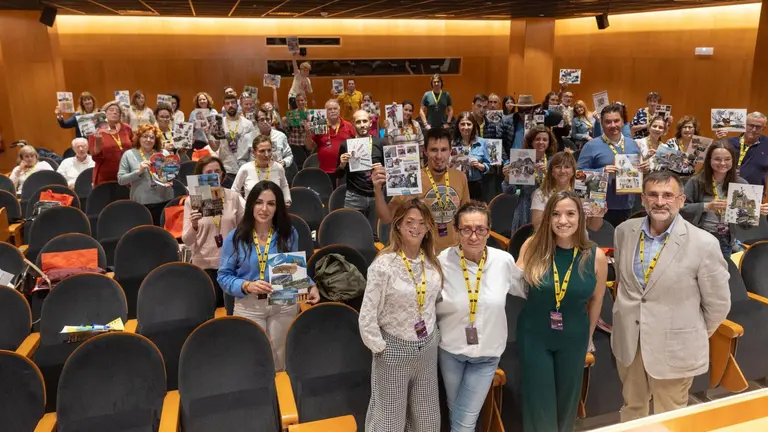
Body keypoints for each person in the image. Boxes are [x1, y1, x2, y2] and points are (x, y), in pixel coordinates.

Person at [612, 170, 731, 421]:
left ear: (681, 200)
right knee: (632, 410)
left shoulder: (704, 243)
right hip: (631, 343)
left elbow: (718, 304)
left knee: (670, 417)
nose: (660, 201)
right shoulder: (624, 232)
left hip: (675, 348)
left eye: (668, 195)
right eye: (653, 195)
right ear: (643, 199)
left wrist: (689, 331)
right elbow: (624, 286)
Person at [516, 190, 607, 432]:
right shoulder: (532, 247)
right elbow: (512, 282)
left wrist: (588, 337)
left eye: (570, 214)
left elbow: (596, 300)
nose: (562, 220)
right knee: (539, 404)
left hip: (574, 337)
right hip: (535, 334)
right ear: (547, 217)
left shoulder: (595, 256)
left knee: (567, 403)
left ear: (580, 217)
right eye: (555, 214)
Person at [436, 201, 526, 432]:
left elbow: (528, 288)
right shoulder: (442, 262)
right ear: (456, 230)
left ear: (488, 230)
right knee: (457, 412)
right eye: (466, 229)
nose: (473, 236)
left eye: (480, 230)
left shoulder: (502, 261)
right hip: (451, 351)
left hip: (487, 355)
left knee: (464, 421)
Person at [359, 198, 444, 432]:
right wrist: (381, 348)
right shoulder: (384, 265)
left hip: (426, 349)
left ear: (428, 227)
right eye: (409, 221)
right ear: (398, 225)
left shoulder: (432, 263)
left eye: (421, 222)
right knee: (389, 421)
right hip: (393, 350)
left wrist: (435, 336)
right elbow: (367, 315)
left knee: (427, 419)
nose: (415, 227)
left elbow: (432, 303)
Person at [218, 181, 321, 370]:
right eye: (259, 202)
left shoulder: (289, 234)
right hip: (249, 305)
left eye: (271, 203)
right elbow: (223, 276)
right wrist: (246, 285)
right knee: (251, 361)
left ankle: (279, 398)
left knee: (279, 362)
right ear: (251, 205)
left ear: (277, 207)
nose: (264, 209)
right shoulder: (235, 238)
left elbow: (293, 269)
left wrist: (310, 284)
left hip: (283, 303)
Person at [372, 128, 470, 254]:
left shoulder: (460, 177)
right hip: (424, 253)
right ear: (425, 151)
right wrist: (377, 190)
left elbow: (466, 217)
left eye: (444, 150)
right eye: (434, 150)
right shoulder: (412, 178)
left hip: (454, 252)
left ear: (450, 151)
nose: (439, 156)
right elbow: (386, 218)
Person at [680, 142, 768, 256]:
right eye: (717, 159)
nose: (722, 163)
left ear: (732, 161)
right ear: (709, 160)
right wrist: (706, 206)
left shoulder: (741, 184)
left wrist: (754, 212)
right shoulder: (696, 181)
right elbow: (681, 208)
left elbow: (745, 225)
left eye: (727, 159)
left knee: (723, 273)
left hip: (725, 239)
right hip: (700, 237)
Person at [182, 155, 245, 315]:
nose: (214, 175)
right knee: (209, 313)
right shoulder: (192, 201)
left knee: (233, 312)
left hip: (232, 265)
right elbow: (187, 240)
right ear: (200, 177)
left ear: (223, 174)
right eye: (209, 172)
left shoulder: (233, 197)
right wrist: (194, 225)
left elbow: (245, 230)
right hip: (205, 266)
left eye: (217, 171)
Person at [577, 103, 644, 228]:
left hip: (627, 206)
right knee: (602, 245)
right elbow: (578, 174)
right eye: (608, 122)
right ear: (602, 124)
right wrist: (602, 171)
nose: (613, 125)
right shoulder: (591, 146)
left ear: (623, 122)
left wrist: (643, 169)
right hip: (599, 208)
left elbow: (636, 173)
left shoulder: (633, 144)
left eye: (616, 121)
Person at [529, 151, 604, 232]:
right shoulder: (541, 193)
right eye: (558, 167)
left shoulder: (584, 192)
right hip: (550, 241)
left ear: (573, 172)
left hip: (578, 241)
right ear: (552, 172)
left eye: (567, 167)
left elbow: (594, 227)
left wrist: (598, 214)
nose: (562, 171)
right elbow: (538, 225)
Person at [336, 110, 384, 231]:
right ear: (353, 124)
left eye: (365, 121)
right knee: (352, 232)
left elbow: (391, 172)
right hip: (354, 196)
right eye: (358, 122)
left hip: (376, 196)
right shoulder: (346, 145)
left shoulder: (380, 143)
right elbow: (339, 174)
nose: (362, 125)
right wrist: (342, 165)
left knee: (376, 235)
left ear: (370, 123)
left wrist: (383, 169)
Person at [503, 125, 557, 232]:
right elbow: (509, 191)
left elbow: (559, 188)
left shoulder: (553, 162)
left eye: (545, 139)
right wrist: (507, 178)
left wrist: (548, 174)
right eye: (537, 139)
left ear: (549, 143)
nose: (541, 142)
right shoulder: (520, 160)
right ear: (531, 142)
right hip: (525, 210)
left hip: (548, 208)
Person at [117, 123, 174, 224]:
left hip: (164, 200)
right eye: (145, 136)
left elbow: (170, 175)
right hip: (142, 203)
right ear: (138, 138)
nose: (148, 140)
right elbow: (121, 180)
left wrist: (169, 180)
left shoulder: (164, 153)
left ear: (156, 140)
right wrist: (138, 171)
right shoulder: (129, 155)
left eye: (152, 137)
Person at [305, 99, 355, 185]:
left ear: (339, 110)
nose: (333, 111)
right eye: (330, 109)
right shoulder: (319, 125)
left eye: (335, 108)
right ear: (325, 112)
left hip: (344, 170)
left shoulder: (348, 126)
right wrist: (308, 133)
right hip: (325, 172)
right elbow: (309, 146)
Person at [232, 134, 291, 206]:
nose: (266, 154)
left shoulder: (278, 168)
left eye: (269, 150)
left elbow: (284, 185)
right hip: (251, 211)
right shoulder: (245, 168)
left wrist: (287, 199)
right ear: (254, 153)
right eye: (262, 151)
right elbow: (234, 190)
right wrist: (244, 204)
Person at [90, 100, 134, 186]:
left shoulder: (126, 128)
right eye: (111, 110)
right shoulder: (95, 131)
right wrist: (98, 140)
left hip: (127, 175)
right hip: (106, 178)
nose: (115, 112)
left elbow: (134, 147)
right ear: (104, 113)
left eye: (118, 111)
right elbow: (96, 157)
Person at [718, 111, 768, 186]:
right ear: (744, 125)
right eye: (751, 125)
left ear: (763, 128)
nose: (754, 129)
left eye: (758, 127)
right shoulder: (729, 142)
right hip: (727, 189)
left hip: (755, 193)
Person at [211, 94, 256, 176]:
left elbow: (253, 147)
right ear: (224, 106)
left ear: (237, 104)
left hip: (244, 167)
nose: (230, 105)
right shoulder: (219, 123)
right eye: (227, 103)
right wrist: (208, 135)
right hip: (226, 167)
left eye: (232, 103)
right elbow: (215, 148)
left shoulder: (248, 124)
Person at [453, 112, 490, 201]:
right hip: (457, 183)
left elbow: (488, 166)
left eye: (469, 124)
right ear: (458, 126)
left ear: (473, 125)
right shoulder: (452, 144)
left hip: (476, 184)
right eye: (462, 124)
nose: (466, 127)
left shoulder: (482, 142)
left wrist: (478, 165)